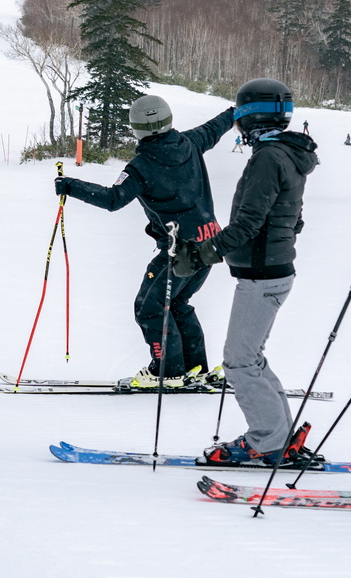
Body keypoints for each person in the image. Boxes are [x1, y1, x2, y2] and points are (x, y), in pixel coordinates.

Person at [175, 78, 319, 464]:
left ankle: (267, 441)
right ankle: (278, 434)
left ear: (248, 119)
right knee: (249, 357)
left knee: (239, 361)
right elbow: (292, 217)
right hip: (271, 270)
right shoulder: (287, 153)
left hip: (262, 275)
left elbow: (248, 223)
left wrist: (202, 253)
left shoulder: (269, 158)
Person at [56, 95, 234, 387]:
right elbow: (215, 127)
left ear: (136, 128)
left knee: (149, 307)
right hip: (210, 243)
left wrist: (70, 186)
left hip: (180, 250)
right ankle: (195, 367)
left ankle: (167, 371)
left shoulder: (141, 166)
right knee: (177, 302)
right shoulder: (190, 142)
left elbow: (113, 199)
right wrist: (236, 110)